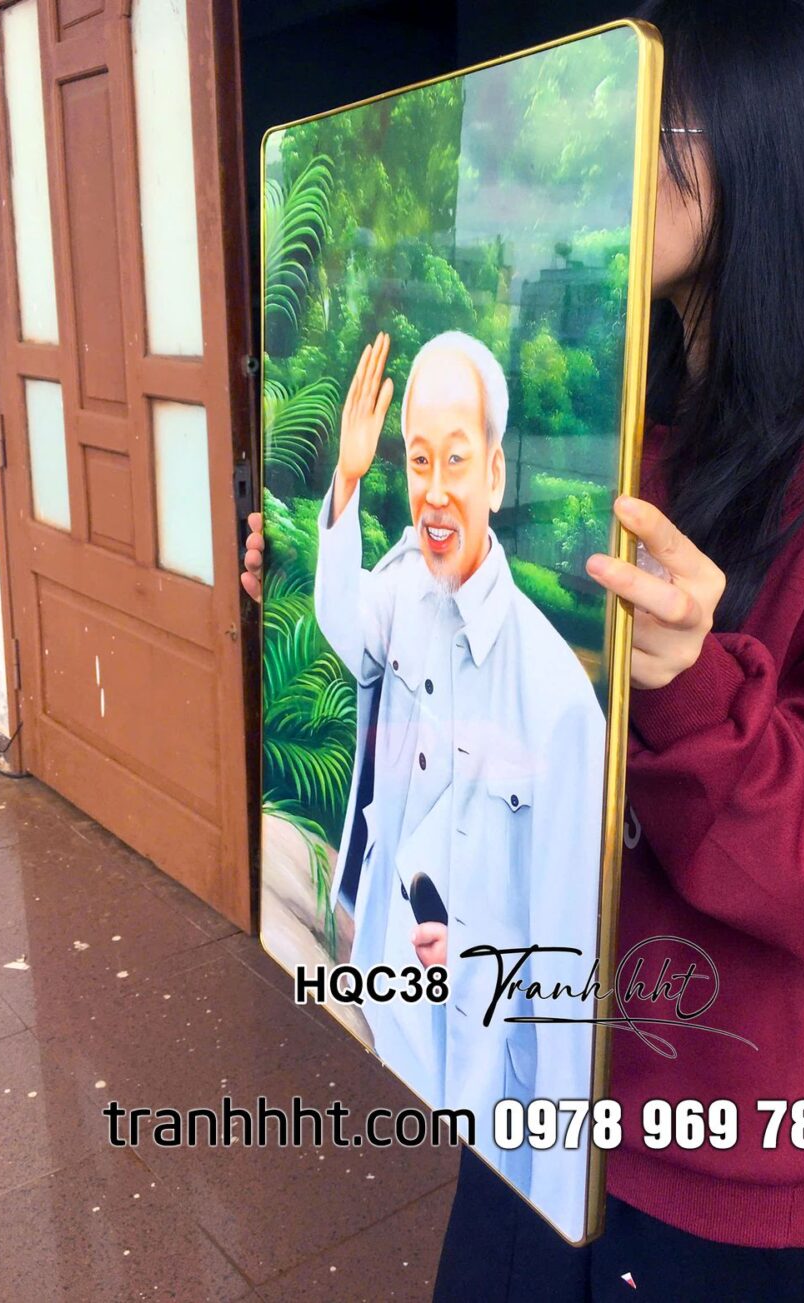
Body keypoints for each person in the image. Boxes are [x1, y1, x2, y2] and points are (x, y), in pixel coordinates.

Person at [245, 0, 804, 1293]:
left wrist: (694, 691)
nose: (619, 152)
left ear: (781, 147)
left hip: (734, 1154)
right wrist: (318, 570)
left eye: (662, 118)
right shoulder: (625, 425)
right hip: (545, 1083)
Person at [246, 329, 607, 1241]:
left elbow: (569, 963)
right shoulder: (401, 590)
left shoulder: (556, 696)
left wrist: (561, 1190)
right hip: (387, 1015)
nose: (435, 488)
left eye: (456, 458)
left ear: (496, 473)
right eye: (417, 460)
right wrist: (346, 479)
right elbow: (341, 617)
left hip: (485, 1074)